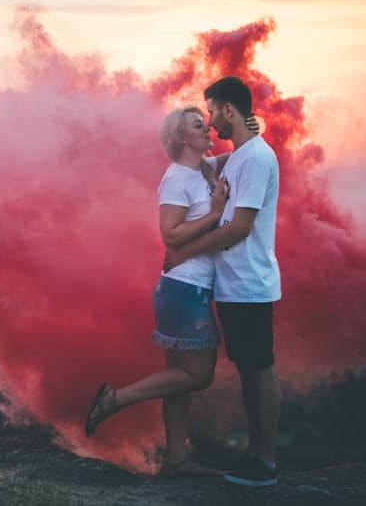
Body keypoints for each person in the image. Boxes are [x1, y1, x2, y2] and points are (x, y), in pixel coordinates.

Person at [84, 106, 258, 477]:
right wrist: (214, 214)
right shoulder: (177, 179)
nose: (207, 127)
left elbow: (239, 153)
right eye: (199, 125)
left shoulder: (204, 169)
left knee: (178, 381)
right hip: (185, 291)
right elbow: (170, 234)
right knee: (199, 376)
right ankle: (115, 399)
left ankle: (177, 459)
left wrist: (248, 129)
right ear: (181, 139)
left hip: (183, 289)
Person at [164, 76, 282, 487]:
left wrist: (185, 251)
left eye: (212, 111)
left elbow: (239, 228)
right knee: (251, 369)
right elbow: (199, 164)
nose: (210, 122)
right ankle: (257, 457)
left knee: (258, 369)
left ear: (229, 110)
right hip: (236, 285)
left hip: (248, 284)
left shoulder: (254, 159)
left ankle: (263, 463)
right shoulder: (240, 156)